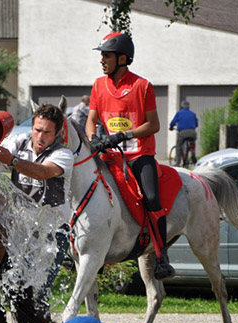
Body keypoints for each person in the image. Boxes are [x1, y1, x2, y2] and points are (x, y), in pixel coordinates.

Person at [86, 32, 175, 280]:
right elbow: (91, 121)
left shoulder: (142, 86)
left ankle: (161, 256)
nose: (102, 60)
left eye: (107, 56)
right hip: (110, 155)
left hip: (139, 155)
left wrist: (124, 134)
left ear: (122, 58)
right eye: (101, 56)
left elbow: (154, 125)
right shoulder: (97, 85)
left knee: (152, 196)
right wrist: (94, 139)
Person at [0, 104, 74, 297]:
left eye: (47, 132)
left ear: (58, 133)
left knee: (38, 291)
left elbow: (43, 173)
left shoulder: (63, 154)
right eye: (37, 130)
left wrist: (12, 161)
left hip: (52, 231)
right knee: (11, 288)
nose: (40, 136)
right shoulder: (19, 142)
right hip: (20, 228)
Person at [169, 100, 198, 167]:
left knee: (179, 146)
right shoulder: (193, 114)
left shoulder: (179, 113)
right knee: (192, 144)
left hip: (183, 133)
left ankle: (178, 163)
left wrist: (171, 127)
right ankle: (193, 154)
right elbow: (196, 124)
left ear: (181, 106)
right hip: (192, 132)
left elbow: (173, 123)